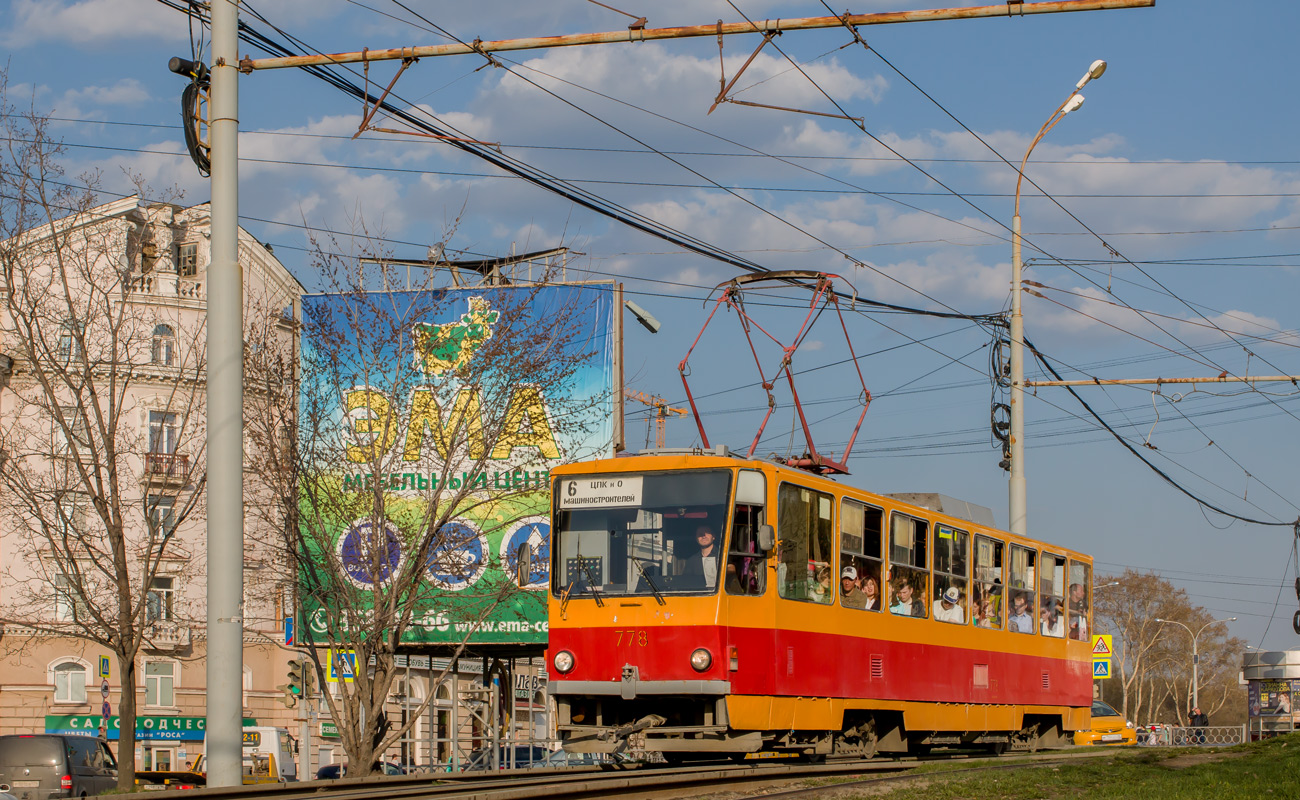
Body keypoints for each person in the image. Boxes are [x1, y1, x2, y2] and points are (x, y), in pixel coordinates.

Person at [677, 523, 720, 589]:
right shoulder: (691, 561)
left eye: (707, 533)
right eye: (700, 534)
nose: (703, 536)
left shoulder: (722, 556)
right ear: (696, 539)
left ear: (713, 536)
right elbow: (686, 583)